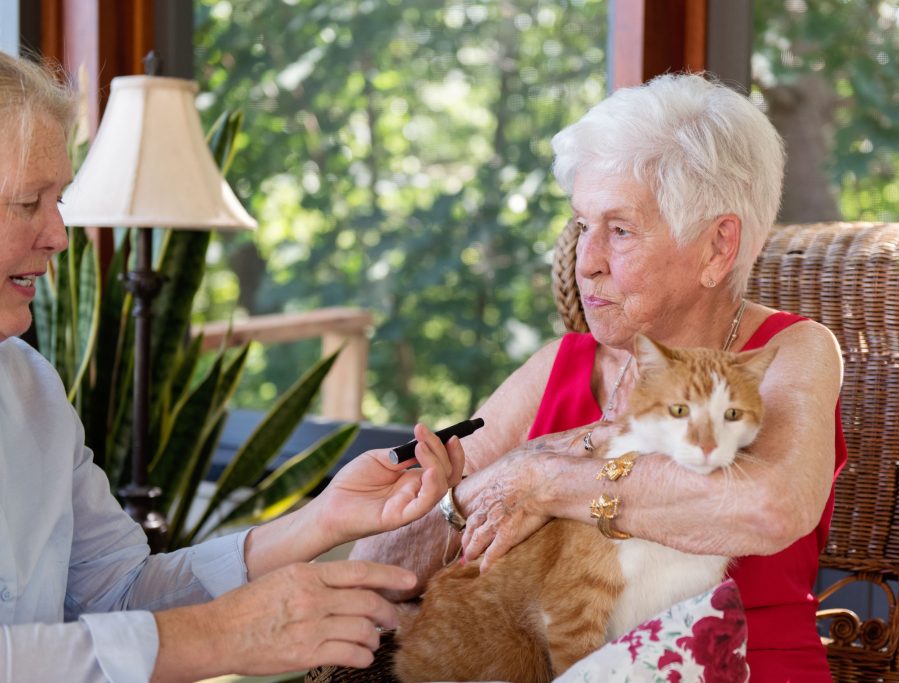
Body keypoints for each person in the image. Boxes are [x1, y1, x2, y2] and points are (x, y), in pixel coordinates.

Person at [351, 73, 847, 681]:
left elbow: (768, 507)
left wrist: (547, 480)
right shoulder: (561, 366)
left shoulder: (792, 352)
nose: (586, 261)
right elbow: (375, 563)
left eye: (621, 229)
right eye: (583, 225)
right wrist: (497, 482)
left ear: (718, 247)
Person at [0, 51, 465, 683]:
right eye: (29, 202)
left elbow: (120, 592)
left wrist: (318, 520)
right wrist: (216, 638)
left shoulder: (28, 387)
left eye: (58, 199)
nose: (58, 233)